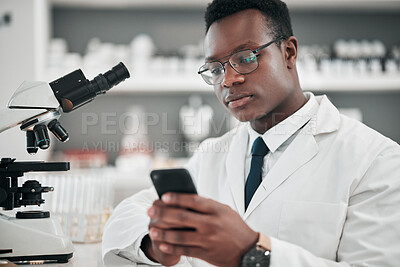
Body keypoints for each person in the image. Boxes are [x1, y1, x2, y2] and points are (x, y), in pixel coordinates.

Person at [102, 0, 400, 266]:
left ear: (289, 53)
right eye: (215, 69)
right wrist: (156, 245)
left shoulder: (378, 160)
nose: (229, 80)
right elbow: (129, 213)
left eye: (245, 58)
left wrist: (252, 252)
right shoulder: (212, 154)